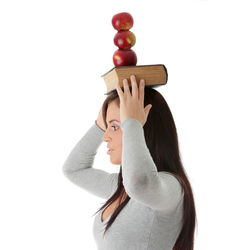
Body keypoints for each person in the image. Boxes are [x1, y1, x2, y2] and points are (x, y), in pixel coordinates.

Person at [62, 76, 197, 250]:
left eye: (115, 127)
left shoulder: (171, 188)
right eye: (107, 127)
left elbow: (139, 183)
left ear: (143, 128)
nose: (105, 137)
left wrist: (132, 123)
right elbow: (73, 169)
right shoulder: (119, 187)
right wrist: (99, 125)